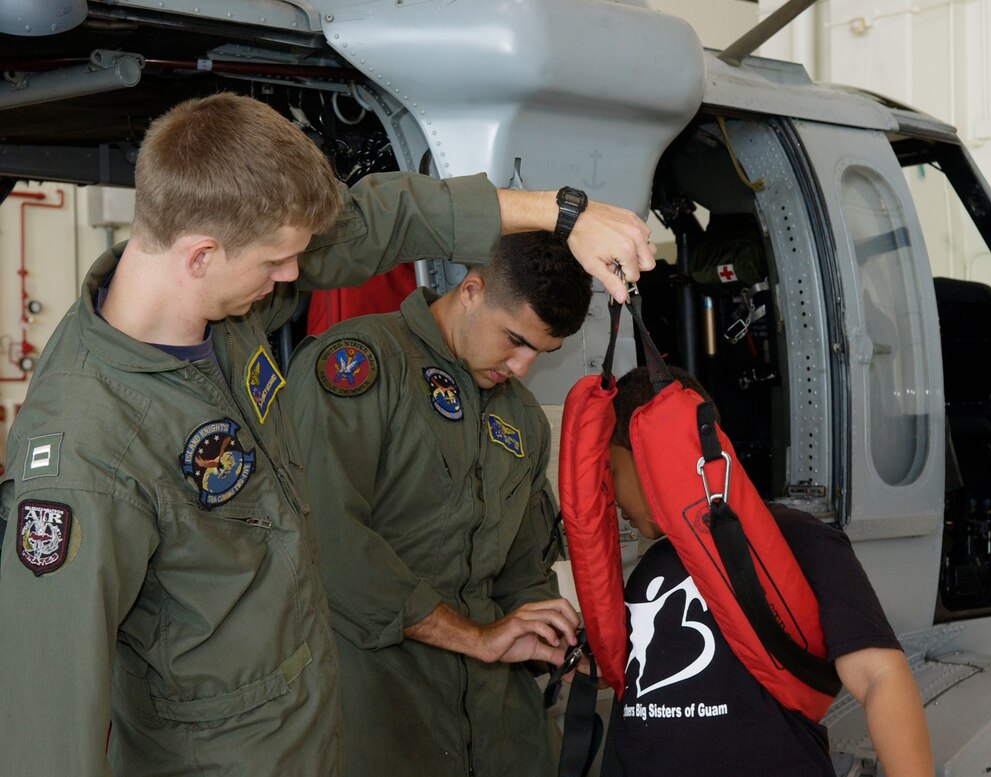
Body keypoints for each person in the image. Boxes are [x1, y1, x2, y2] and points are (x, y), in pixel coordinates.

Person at [0, 92, 655, 777]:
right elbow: (45, 727)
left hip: (313, 736)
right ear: (201, 255)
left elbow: (375, 221)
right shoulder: (86, 451)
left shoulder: (221, 319)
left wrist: (562, 214)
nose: (295, 276)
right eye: (276, 262)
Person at [283, 231, 592, 777]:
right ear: (471, 290)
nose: (522, 367)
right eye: (514, 340)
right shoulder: (361, 365)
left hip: (498, 725)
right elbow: (325, 541)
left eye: (540, 353)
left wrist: (555, 645)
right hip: (378, 708)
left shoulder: (521, 418)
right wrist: (475, 638)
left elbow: (524, 571)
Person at [606, 366, 934, 777]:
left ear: (650, 454)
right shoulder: (648, 568)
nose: (610, 493)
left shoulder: (796, 539)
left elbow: (880, 676)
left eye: (611, 470)